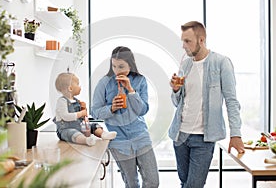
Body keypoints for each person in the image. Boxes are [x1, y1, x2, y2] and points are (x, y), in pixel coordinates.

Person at [169, 21, 245, 188]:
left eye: (187, 41)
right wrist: (175, 90)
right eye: (182, 41)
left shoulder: (221, 63)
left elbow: (231, 101)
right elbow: (177, 103)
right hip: (180, 135)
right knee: (184, 183)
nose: (183, 46)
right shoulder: (186, 64)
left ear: (201, 40)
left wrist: (236, 134)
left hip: (203, 138)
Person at [91, 46, 159, 188]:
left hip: (140, 136)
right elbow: (95, 111)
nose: (117, 70)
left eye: (121, 66)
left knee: (152, 181)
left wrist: (131, 90)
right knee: (131, 183)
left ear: (130, 64)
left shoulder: (140, 81)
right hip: (119, 142)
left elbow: (143, 110)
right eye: (114, 66)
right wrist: (111, 108)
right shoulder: (104, 83)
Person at [53, 72, 117, 146]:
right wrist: (80, 113)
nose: (80, 86)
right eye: (77, 84)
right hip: (65, 130)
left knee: (93, 125)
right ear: (70, 88)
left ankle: (103, 134)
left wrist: (83, 111)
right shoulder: (62, 101)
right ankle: (85, 140)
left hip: (79, 126)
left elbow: (81, 118)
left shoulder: (76, 101)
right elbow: (65, 116)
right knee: (72, 133)